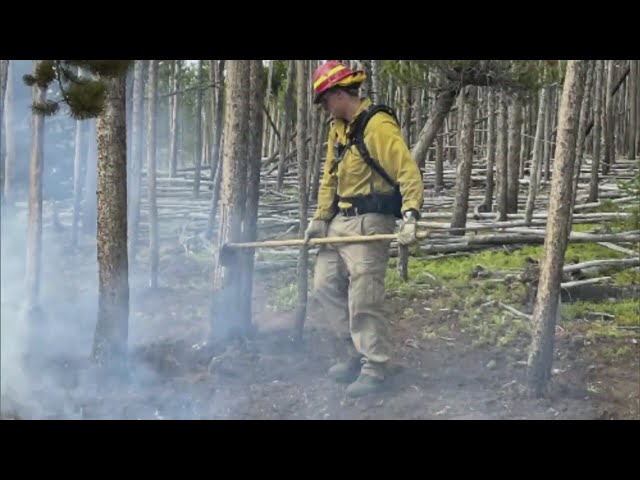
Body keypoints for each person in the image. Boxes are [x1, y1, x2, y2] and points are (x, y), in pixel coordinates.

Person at [305, 60, 424, 397]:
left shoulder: (378, 126)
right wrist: (319, 217)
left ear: (339, 94)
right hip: (339, 221)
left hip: (371, 222)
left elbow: (407, 171)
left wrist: (411, 214)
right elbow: (330, 177)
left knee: (364, 297)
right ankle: (352, 353)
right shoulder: (337, 128)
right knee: (324, 285)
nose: (324, 108)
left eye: (325, 100)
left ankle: (375, 365)